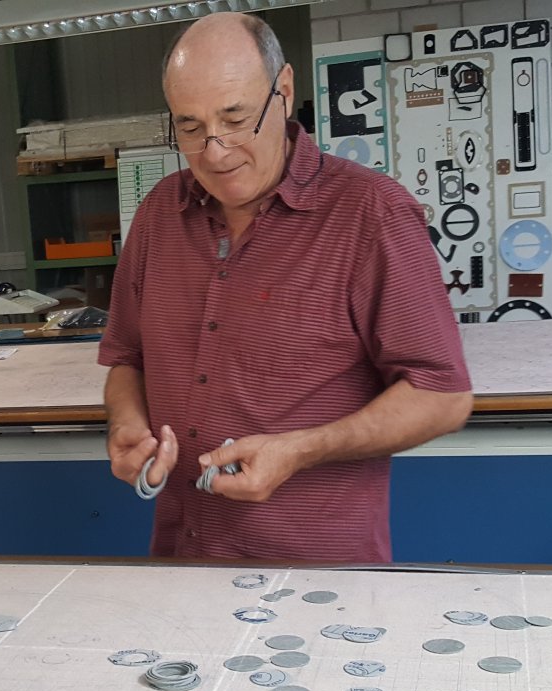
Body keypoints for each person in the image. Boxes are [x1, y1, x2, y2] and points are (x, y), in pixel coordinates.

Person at [97, 13, 474, 563]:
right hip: (182, 560)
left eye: (236, 118)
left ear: (286, 91)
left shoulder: (372, 214)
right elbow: (126, 358)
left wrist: (301, 450)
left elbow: (442, 396)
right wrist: (128, 424)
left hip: (318, 574)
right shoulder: (159, 214)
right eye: (190, 128)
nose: (215, 151)